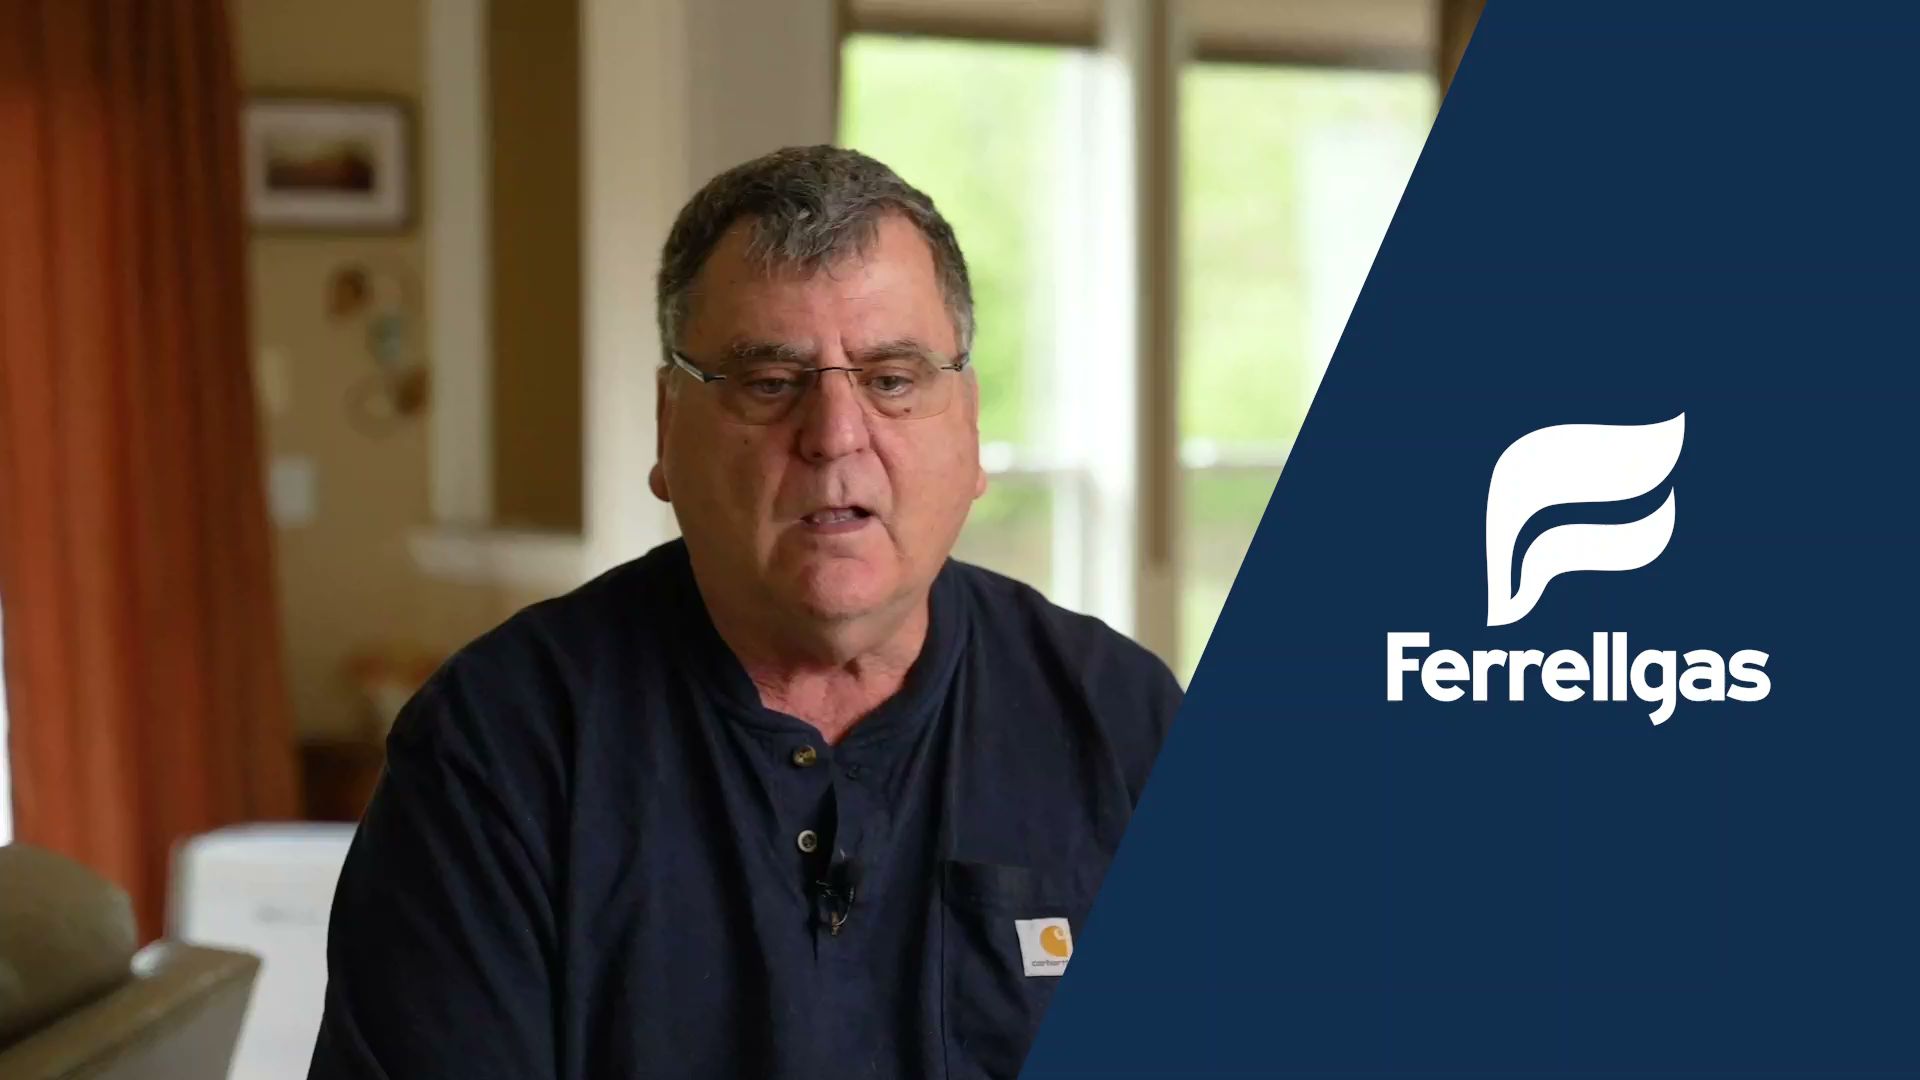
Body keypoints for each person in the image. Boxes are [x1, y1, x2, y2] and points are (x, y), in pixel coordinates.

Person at [308, 145, 1180, 1080]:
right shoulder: (499, 746)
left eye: (891, 378)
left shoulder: (1120, 720)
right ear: (667, 426)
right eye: (770, 383)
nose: (835, 437)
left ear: (968, 428)